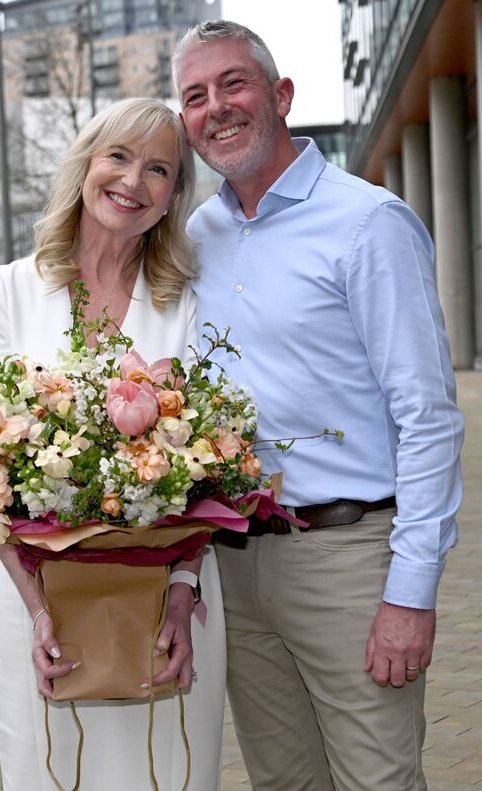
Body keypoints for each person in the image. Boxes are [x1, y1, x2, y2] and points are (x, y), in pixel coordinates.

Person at [174, 20, 464, 791]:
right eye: (195, 96)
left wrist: (411, 591)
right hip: (233, 564)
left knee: (378, 780)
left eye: (234, 83)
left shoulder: (367, 222)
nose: (217, 107)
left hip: (347, 559)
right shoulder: (196, 238)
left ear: (281, 95)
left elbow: (427, 416)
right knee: (284, 782)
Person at [0, 98, 226, 791]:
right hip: (30, 596)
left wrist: (180, 594)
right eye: (119, 156)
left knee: (171, 770)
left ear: (172, 198)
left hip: (169, 600)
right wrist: (43, 610)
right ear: (84, 165)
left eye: (159, 169)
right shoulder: (6, 291)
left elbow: (217, 460)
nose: (134, 181)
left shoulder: (188, 303)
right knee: (47, 772)